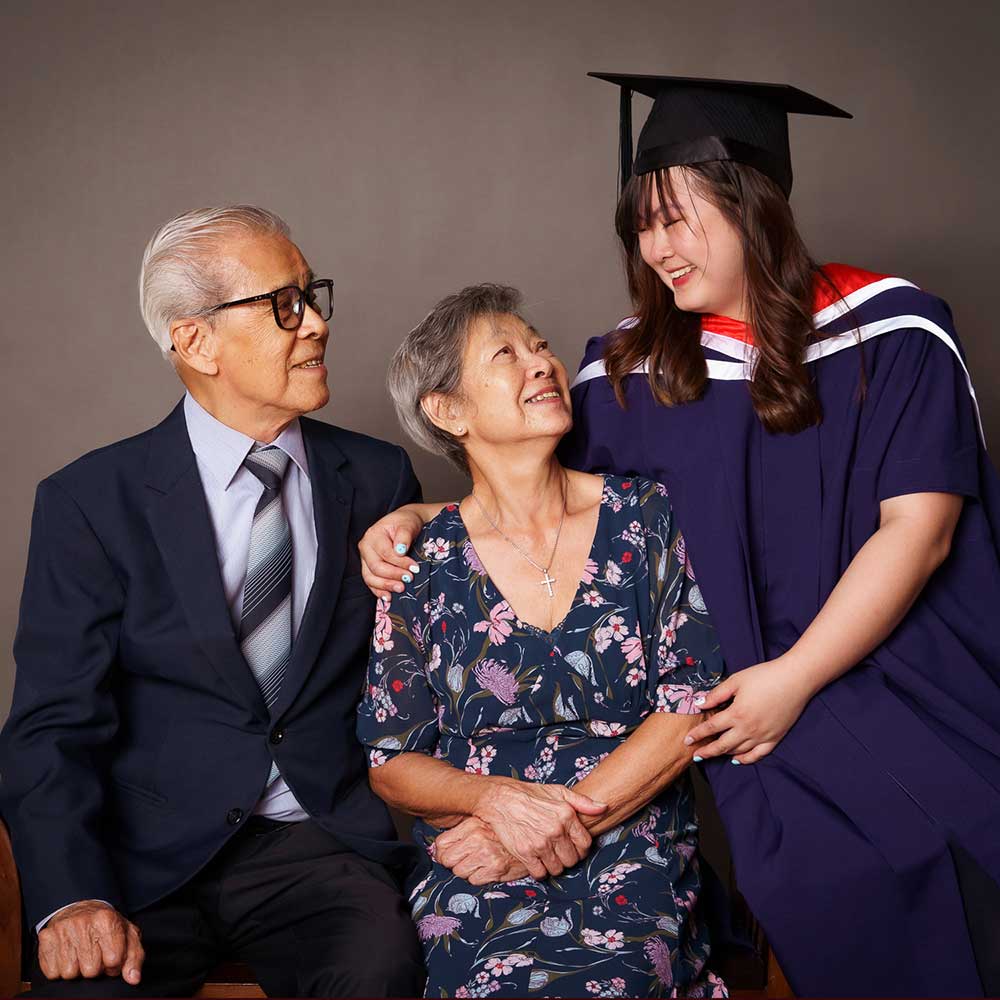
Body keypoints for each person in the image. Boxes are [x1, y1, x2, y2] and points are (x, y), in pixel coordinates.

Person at [359, 78, 1000, 997]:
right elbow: (522, 483)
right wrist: (421, 517)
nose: (656, 249)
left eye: (677, 219)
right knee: (832, 874)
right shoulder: (630, 370)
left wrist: (796, 678)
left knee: (964, 837)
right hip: (730, 705)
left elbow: (923, 531)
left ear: (754, 204)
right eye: (641, 228)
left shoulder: (893, 331)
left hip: (889, 667)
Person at [0, 206, 425, 997]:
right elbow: (50, 724)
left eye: (313, 296)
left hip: (318, 847)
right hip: (143, 860)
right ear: (194, 342)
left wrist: (432, 515)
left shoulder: (378, 480)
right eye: (284, 305)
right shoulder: (93, 500)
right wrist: (71, 895)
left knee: (386, 972)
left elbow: (439, 649)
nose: (318, 326)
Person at [357, 283, 728, 998]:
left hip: (631, 842)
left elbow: (690, 704)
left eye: (540, 346)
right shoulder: (421, 560)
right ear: (447, 410)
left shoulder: (644, 515)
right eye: (506, 353)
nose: (542, 364)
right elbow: (390, 760)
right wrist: (498, 805)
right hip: (476, 861)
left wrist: (540, 828)